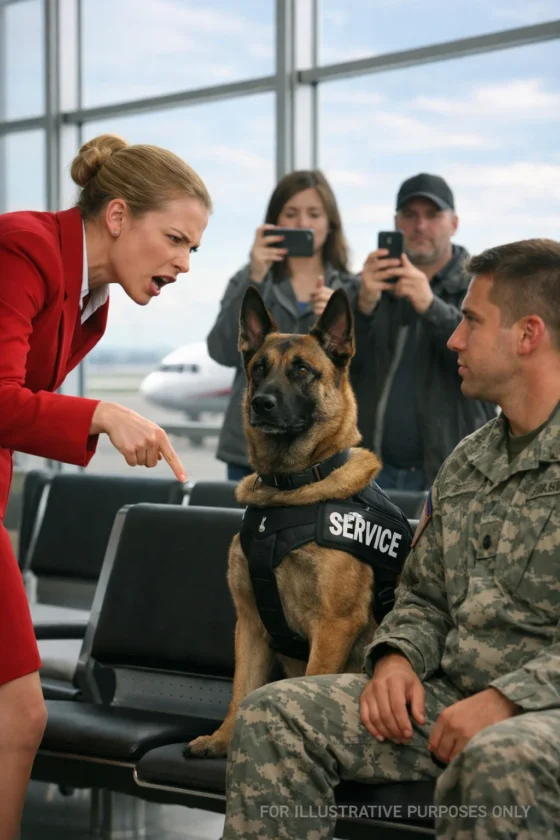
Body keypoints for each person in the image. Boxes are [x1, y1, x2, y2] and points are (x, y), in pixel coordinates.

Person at [223, 238, 560, 840]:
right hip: (445, 697)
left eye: (471, 321)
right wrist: (397, 659)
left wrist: (507, 700)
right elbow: (422, 596)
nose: (453, 338)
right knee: (272, 714)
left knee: (497, 760)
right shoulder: (468, 462)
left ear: (528, 335)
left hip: (542, 711)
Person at [0, 133, 211, 839]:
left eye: (193, 248)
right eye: (175, 239)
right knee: (18, 715)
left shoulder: (91, 304)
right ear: (117, 215)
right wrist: (101, 414)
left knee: (15, 717)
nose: (184, 263)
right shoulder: (24, 249)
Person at [206, 170, 359, 481]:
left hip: (321, 457)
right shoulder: (249, 279)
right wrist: (255, 275)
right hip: (250, 452)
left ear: (330, 223)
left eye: (314, 214)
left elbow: (363, 370)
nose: (302, 223)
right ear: (274, 221)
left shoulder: (350, 290)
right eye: (291, 213)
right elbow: (221, 350)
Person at [351, 173, 495, 491]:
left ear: (453, 224)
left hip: (454, 473)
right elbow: (341, 367)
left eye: (432, 215)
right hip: (371, 472)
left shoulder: (482, 286)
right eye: (410, 215)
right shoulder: (367, 285)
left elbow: (489, 362)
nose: (420, 226)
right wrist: (362, 308)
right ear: (395, 222)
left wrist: (430, 306)